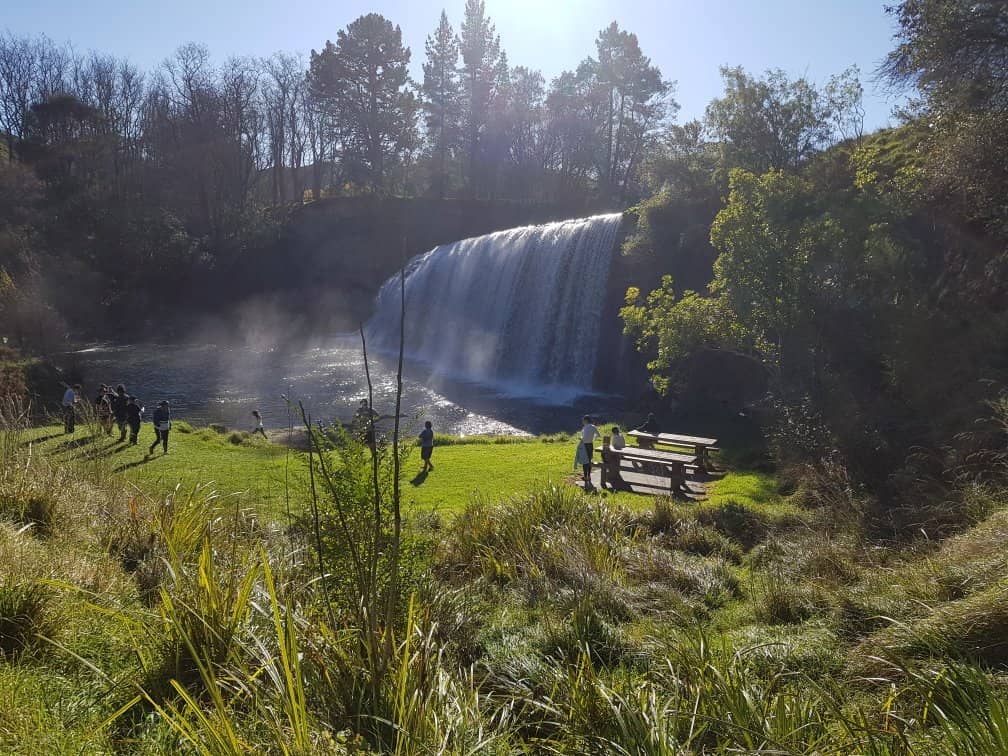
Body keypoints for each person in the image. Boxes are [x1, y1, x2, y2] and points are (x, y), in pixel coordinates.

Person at [580, 415, 600, 490]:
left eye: (583, 420)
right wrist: (592, 438)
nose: (582, 422)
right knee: (589, 460)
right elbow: (598, 435)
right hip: (590, 445)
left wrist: (582, 439)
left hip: (584, 445)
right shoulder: (593, 426)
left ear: (586, 421)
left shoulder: (585, 427)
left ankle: (585, 477)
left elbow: (583, 437)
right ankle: (589, 476)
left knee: (585, 461)